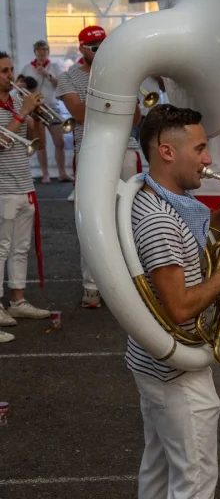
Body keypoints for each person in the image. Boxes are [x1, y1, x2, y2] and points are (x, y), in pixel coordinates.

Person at [129, 104, 220, 498]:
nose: (208, 160)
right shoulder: (159, 219)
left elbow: (184, 252)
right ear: (167, 152)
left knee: (159, 469)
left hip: (155, 362)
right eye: (201, 149)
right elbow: (181, 307)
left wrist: (219, 219)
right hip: (176, 371)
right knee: (196, 480)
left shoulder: (158, 197)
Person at [56, 25, 142, 308]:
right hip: (92, 151)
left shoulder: (123, 71)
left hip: (126, 151)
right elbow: (80, 114)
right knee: (92, 219)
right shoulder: (68, 78)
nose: (100, 50)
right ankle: (92, 285)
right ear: (81, 49)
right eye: (94, 47)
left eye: (103, 45)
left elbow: (136, 118)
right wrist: (107, 88)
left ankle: (131, 283)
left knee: (129, 218)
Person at [0, 52, 51, 342]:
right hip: (3, 188)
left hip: (24, 185)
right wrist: (22, 114)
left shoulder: (17, 103)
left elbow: (39, 145)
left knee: (20, 248)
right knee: (1, 249)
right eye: (4, 72)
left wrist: (36, 117)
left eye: (10, 70)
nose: (10, 76)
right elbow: (1, 143)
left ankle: (17, 301)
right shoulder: (10, 107)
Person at [19, 40, 71, 183]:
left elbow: (60, 85)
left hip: (51, 107)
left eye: (45, 50)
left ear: (48, 52)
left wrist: (46, 74)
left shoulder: (54, 67)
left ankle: (62, 173)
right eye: (39, 50)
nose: (42, 52)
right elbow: (20, 85)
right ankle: (45, 174)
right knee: (41, 143)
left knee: (59, 142)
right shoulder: (27, 68)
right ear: (34, 52)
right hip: (36, 109)